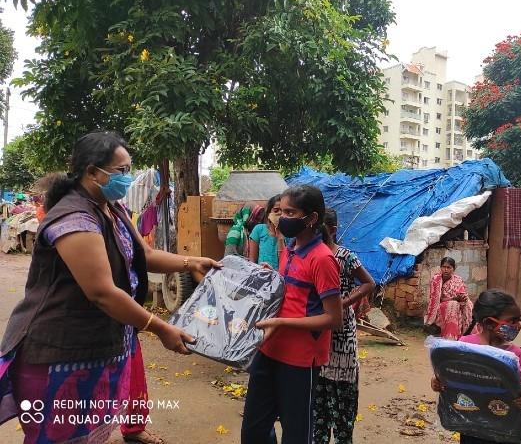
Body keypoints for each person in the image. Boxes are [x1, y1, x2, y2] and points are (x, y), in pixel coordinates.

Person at [0, 131, 220, 444]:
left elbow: (145, 255)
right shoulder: (75, 217)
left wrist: (191, 263)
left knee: (89, 435)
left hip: (98, 346)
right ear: (92, 171)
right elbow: (101, 292)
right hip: (60, 352)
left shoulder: (111, 208)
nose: (128, 178)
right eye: (121, 171)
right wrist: (159, 327)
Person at [241, 185, 343, 444]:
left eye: (290, 212)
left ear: (311, 219)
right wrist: (271, 276)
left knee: (296, 432)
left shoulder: (322, 259)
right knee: (254, 428)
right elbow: (293, 293)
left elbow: (334, 318)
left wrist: (281, 322)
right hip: (269, 348)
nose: (282, 217)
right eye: (280, 211)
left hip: (299, 359)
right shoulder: (290, 248)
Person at [431, 289, 521, 444]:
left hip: (505, 429)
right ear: (489, 323)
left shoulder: (514, 355)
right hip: (471, 427)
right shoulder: (463, 346)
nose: (518, 326)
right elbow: (451, 378)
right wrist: (437, 381)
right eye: (513, 321)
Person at [313, 208, 375, 444]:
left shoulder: (346, 256)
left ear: (332, 230)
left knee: (343, 397)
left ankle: (342, 436)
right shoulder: (310, 255)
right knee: (319, 400)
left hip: (341, 333)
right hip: (317, 329)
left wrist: (344, 302)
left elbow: (368, 283)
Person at [424, 257, 473, 340]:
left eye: (448, 267)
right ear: (441, 267)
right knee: (452, 305)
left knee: (468, 304)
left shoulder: (458, 280)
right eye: (443, 267)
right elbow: (436, 300)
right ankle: (450, 336)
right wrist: (454, 299)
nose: (445, 270)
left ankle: (466, 333)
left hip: (458, 303)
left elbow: (463, 293)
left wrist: (463, 298)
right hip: (440, 305)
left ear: (453, 269)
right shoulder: (436, 280)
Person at [249, 194, 284, 270]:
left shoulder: (291, 233)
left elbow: (287, 262)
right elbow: (252, 260)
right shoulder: (259, 230)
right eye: (276, 210)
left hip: (283, 277)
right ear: (268, 213)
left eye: (283, 210)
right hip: (263, 276)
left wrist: (280, 237)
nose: (280, 213)